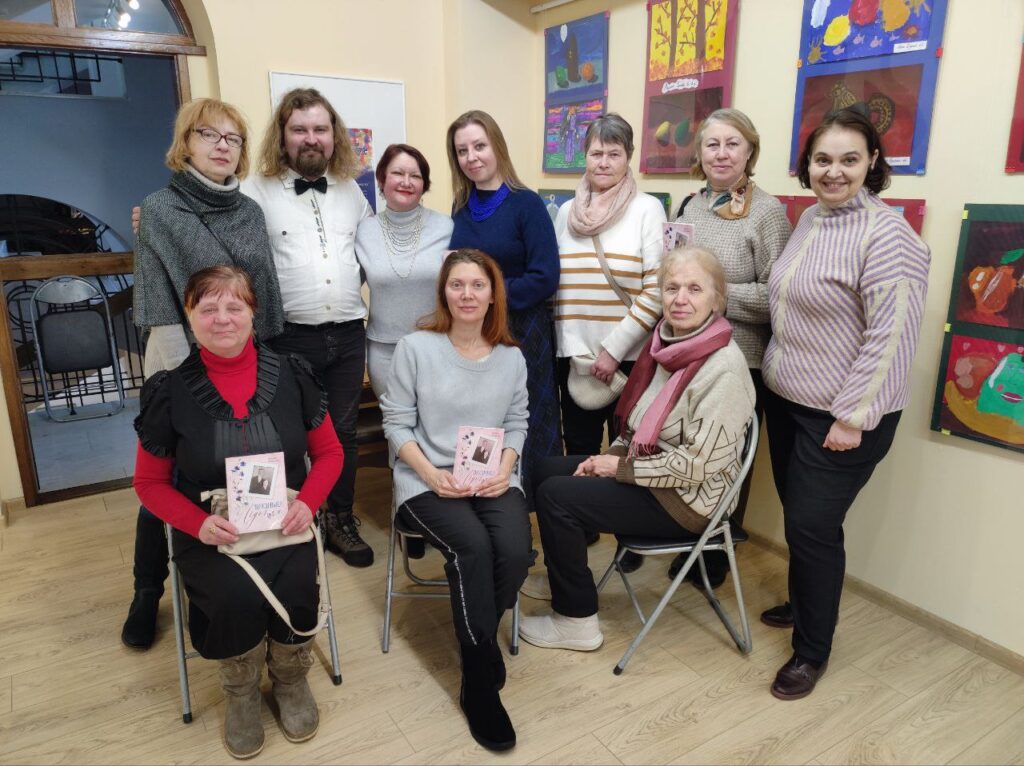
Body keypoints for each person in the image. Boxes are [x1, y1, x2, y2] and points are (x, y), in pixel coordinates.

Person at [133, 266, 344, 759]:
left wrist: (308, 503)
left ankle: (289, 678)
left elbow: (330, 453)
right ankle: (242, 690)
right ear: (190, 317)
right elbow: (149, 484)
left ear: (253, 313)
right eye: (208, 308)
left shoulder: (293, 374)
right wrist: (198, 524)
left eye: (234, 306)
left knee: (297, 584)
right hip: (211, 529)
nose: (222, 318)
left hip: (286, 520)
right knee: (233, 596)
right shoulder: (169, 391)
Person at [759, 107, 930, 700]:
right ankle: (806, 601)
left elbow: (892, 338)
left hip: (843, 415)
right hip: (790, 401)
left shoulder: (889, 237)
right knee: (801, 520)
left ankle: (812, 651)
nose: (834, 172)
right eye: (823, 160)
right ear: (808, 165)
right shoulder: (811, 218)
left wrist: (853, 417)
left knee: (813, 527)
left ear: (873, 162)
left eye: (849, 160)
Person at [518, 246, 755, 652]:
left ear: (717, 299)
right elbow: (637, 425)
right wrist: (609, 457)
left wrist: (618, 469)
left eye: (695, 289)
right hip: (654, 473)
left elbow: (697, 465)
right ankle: (562, 578)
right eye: (671, 288)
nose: (680, 299)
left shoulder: (725, 369)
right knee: (545, 471)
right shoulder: (667, 346)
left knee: (557, 497)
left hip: (689, 501)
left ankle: (576, 620)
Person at [122, 97, 285, 651]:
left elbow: (261, 294)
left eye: (232, 138)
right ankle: (147, 590)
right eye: (208, 134)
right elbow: (157, 298)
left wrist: (263, 366)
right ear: (185, 143)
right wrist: (179, 387)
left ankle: (251, 565)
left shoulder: (250, 212)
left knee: (244, 466)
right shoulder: (159, 209)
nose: (222, 145)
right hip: (180, 361)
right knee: (167, 477)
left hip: (247, 360)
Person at [380, 249, 531, 752]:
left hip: (492, 478)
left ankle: (480, 637)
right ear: (444, 292)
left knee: (515, 551)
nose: (467, 294)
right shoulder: (416, 348)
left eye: (477, 285)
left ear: (493, 295)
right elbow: (396, 422)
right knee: (472, 547)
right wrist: (430, 472)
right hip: (426, 479)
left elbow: (517, 422)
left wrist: (505, 469)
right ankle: (478, 677)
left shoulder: (511, 358)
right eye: (457, 285)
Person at [245, 87, 375, 567]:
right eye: (299, 129)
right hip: (286, 336)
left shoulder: (352, 192)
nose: (311, 138)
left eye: (320, 129)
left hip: (348, 333)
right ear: (283, 136)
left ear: (333, 135)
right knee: (284, 436)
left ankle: (339, 520)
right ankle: (291, 522)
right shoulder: (254, 192)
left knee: (342, 434)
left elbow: (372, 253)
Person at [667, 107, 792, 586]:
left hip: (739, 360)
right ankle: (685, 540)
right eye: (712, 144)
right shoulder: (690, 206)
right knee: (686, 452)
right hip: (685, 357)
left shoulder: (767, 213)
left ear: (750, 151)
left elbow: (777, 299)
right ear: (700, 152)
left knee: (725, 460)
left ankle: (714, 555)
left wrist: (713, 297)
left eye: (732, 144)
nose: (721, 154)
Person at [551, 113, 666, 574]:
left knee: (628, 447)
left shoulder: (647, 209)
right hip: (575, 354)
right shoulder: (565, 213)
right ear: (585, 155)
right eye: (596, 152)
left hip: (629, 357)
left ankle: (631, 536)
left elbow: (656, 290)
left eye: (613, 153)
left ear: (628, 157)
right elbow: (558, 285)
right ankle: (581, 525)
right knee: (579, 445)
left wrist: (613, 348)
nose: (603, 162)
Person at [446, 110, 561, 498]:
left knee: (527, 420)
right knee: (483, 417)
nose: (471, 157)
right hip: (475, 335)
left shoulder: (527, 204)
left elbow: (545, 276)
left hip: (522, 332)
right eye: (462, 150)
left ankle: (537, 503)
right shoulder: (460, 207)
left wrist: (487, 296)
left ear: (497, 146)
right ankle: (487, 496)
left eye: (479, 146)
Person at [355, 143, 453, 398]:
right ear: (382, 179)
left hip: (438, 347)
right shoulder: (364, 231)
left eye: (415, 176)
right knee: (394, 421)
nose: (406, 182)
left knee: (438, 420)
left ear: (424, 184)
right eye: (398, 173)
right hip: (384, 352)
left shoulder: (446, 227)